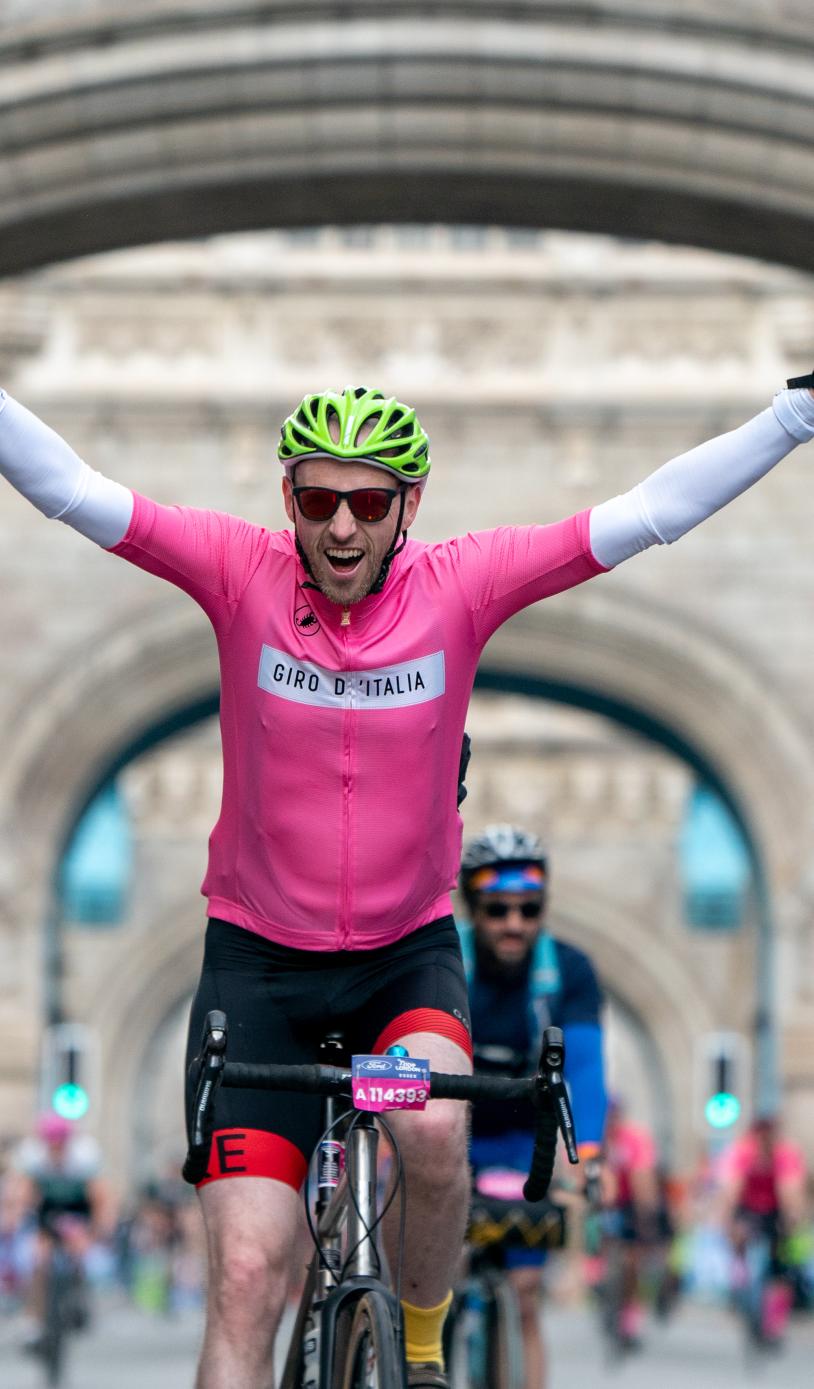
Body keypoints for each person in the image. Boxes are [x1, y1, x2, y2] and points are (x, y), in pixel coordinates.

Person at [2, 381, 814, 1388]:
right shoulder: (234, 572)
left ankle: (421, 1344)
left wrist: (792, 419)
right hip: (258, 974)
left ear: (409, 506)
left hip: (403, 962)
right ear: (287, 495)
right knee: (249, 1279)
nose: (340, 526)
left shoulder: (461, 587)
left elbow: (644, 515)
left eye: (369, 503)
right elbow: (71, 491)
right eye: (316, 500)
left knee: (432, 1129)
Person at [458, 824, 608, 1389]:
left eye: (529, 907)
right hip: (455, 1128)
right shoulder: (445, 959)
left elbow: (587, 1068)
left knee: (524, 1298)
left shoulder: (570, 970)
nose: (514, 923)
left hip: (527, 1139)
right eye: (497, 910)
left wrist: (587, 1154)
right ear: (474, 907)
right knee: (438, 1276)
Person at [10, 1112, 114, 1351]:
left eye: (60, 1144)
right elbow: (23, 1193)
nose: (55, 1149)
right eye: (51, 1144)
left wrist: (98, 1228)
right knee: (39, 1260)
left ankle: (77, 1292)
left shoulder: (85, 1155)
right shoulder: (32, 1155)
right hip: (48, 1207)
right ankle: (34, 1320)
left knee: (78, 1246)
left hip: (79, 1207)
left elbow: (100, 1198)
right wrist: (17, 1218)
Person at [717, 1113, 808, 1348]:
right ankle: (739, 1285)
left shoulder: (786, 1154)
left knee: (781, 1266)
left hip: (774, 1211)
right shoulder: (742, 1152)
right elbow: (731, 1189)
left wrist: (793, 1216)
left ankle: (773, 1326)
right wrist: (729, 1220)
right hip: (747, 1209)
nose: (765, 1139)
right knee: (739, 1239)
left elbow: (791, 1191)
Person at [601, 1095, 662, 1349]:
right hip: (603, 1203)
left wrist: (645, 1213)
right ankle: (599, 1277)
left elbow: (643, 1179)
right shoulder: (594, 1139)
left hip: (629, 1204)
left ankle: (630, 1318)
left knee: (633, 1262)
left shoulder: (635, 1139)